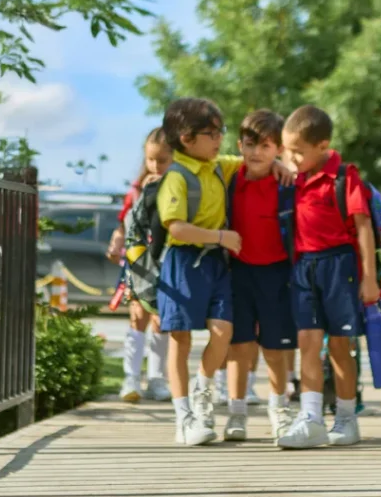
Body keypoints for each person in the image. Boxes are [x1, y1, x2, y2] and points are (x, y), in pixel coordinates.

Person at [156, 97, 291, 446]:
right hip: (183, 262)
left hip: (217, 263)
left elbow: (256, 160)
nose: (219, 140)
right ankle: (184, 416)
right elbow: (176, 228)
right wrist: (221, 236)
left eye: (221, 133)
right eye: (211, 133)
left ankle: (202, 392)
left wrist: (280, 164)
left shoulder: (220, 165)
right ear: (186, 138)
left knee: (223, 331)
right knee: (180, 339)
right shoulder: (176, 176)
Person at [277, 105, 380, 449]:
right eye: (287, 150)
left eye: (297, 151)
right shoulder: (295, 178)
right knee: (307, 339)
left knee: (340, 345)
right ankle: (311, 418)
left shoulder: (344, 177)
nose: (291, 157)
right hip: (304, 266)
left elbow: (363, 227)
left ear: (323, 146)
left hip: (340, 265)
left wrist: (369, 277)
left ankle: (347, 418)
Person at [224, 109, 297, 442]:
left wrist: (285, 168)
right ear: (240, 145)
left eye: (266, 146)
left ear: (278, 149)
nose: (257, 152)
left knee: (275, 349)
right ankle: (236, 413)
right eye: (251, 144)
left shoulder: (286, 184)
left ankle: (279, 409)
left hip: (277, 273)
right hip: (238, 272)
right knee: (239, 346)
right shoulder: (229, 177)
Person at [107, 129, 172, 403]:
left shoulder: (177, 188)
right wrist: (117, 241)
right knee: (137, 316)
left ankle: (157, 378)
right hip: (138, 262)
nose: (156, 166)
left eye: (162, 160)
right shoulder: (137, 189)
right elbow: (123, 223)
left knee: (160, 320)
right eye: (151, 160)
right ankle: (131, 377)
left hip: (166, 260)